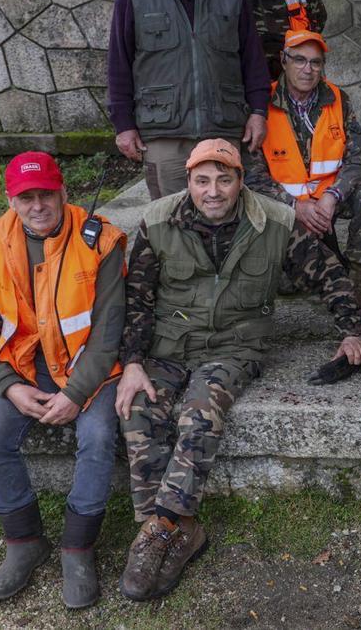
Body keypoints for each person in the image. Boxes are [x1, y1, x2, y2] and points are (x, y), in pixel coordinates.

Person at [114, 139, 294, 601]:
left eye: (223, 179)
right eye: (202, 180)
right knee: (137, 409)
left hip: (234, 346)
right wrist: (132, 362)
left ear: (240, 181)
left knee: (200, 410)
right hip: (169, 345)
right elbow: (138, 297)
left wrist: (354, 330)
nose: (212, 191)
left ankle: (158, 530)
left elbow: (326, 271)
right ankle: (179, 529)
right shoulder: (157, 221)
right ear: (188, 181)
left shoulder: (275, 221)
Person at [0, 152, 126, 608]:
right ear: (10, 200)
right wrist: (9, 385)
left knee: (97, 436)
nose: (37, 205)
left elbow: (109, 329)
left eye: (46, 195)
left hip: (87, 368)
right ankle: (23, 541)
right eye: (26, 197)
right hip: (27, 368)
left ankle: (77, 549)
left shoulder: (103, 240)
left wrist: (77, 394)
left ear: (63, 193)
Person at [107, 0, 271, 200]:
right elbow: (119, 64)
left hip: (223, 127)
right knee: (173, 224)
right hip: (165, 134)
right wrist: (123, 125)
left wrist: (258, 111)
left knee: (226, 218)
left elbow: (252, 59)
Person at [244, 29, 361, 323]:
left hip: (327, 199)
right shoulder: (261, 104)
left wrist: (333, 196)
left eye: (316, 63)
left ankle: (358, 282)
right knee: (290, 284)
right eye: (299, 60)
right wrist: (296, 206)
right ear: (283, 60)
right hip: (283, 205)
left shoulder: (338, 99)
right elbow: (252, 176)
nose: (308, 69)